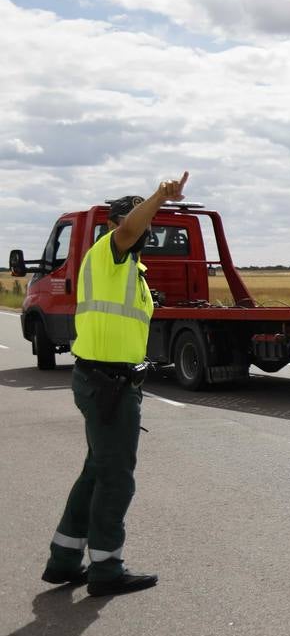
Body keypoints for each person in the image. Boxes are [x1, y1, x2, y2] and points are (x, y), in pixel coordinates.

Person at [41, 173, 188, 597]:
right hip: (107, 383)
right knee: (116, 478)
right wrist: (160, 196)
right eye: (137, 224)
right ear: (117, 226)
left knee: (97, 471)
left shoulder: (132, 270)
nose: (141, 233)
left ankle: (64, 558)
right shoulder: (109, 251)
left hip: (110, 381)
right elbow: (128, 228)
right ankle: (106, 567)